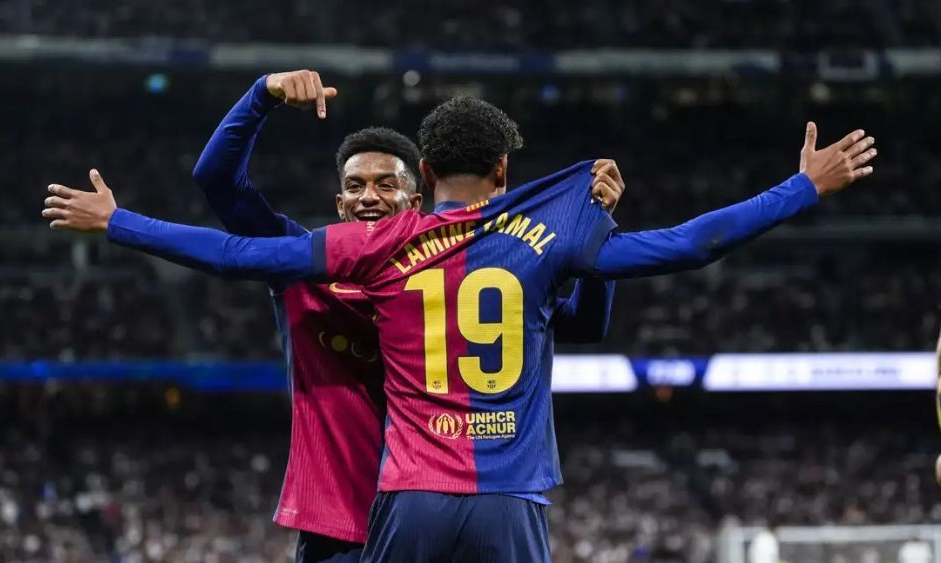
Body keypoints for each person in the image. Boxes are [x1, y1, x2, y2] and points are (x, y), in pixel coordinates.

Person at [43, 97, 875, 562]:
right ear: (507, 173)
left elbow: (230, 253)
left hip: (406, 504)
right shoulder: (543, 242)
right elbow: (695, 244)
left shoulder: (371, 248)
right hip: (509, 502)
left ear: (424, 177)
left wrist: (120, 222)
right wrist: (800, 188)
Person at [188, 71, 622, 562]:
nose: (368, 197)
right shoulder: (300, 265)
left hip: (437, 507)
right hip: (342, 527)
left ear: (417, 203)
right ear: (339, 203)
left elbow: (584, 325)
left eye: (384, 185)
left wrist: (596, 242)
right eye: (354, 186)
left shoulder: (468, 277)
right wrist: (262, 95)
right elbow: (217, 181)